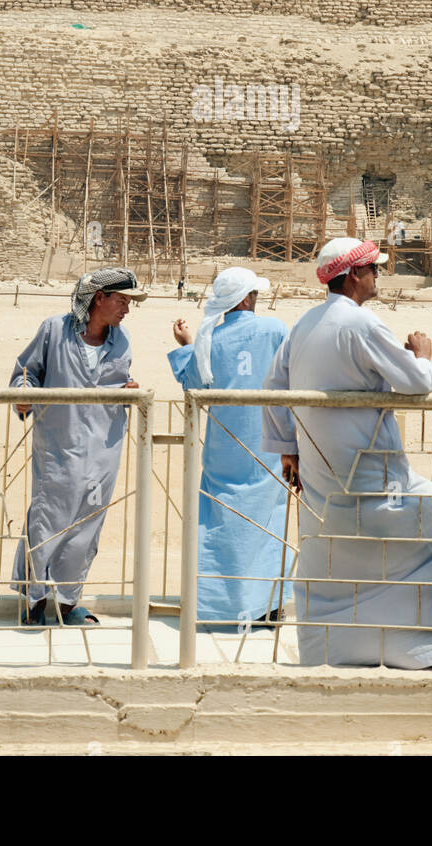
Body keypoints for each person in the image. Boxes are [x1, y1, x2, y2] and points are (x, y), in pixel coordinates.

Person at [261, 237, 432, 669]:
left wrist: (287, 451)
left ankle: (339, 647)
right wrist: (424, 357)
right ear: (354, 274)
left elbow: (272, 389)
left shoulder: (304, 324)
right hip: (378, 484)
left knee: (339, 565)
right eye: (374, 269)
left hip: (324, 481)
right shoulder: (361, 324)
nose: (377, 277)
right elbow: (417, 382)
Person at [9, 267, 146, 626]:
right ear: (99, 298)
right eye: (122, 301)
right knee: (48, 517)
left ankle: (68, 601)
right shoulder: (54, 330)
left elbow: (119, 384)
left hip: (104, 445)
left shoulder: (123, 340)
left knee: (88, 523)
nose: (126, 309)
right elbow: (26, 373)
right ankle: (34, 599)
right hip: (59, 442)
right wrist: (23, 395)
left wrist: (129, 392)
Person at [169, 268, 292, 628]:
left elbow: (194, 384)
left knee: (221, 521)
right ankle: (267, 605)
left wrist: (188, 345)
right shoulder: (275, 330)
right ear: (245, 298)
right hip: (268, 441)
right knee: (268, 523)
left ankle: (217, 604)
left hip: (226, 442)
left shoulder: (211, 340)